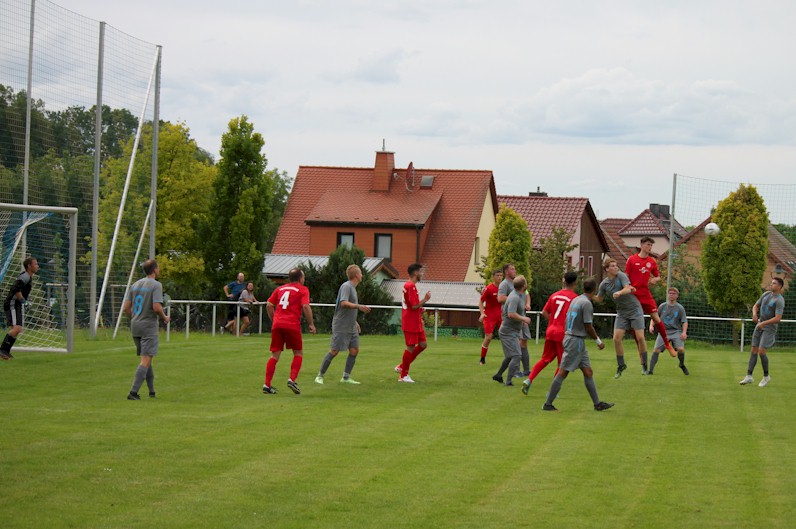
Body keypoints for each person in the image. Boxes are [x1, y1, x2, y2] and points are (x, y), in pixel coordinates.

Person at [542, 278, 614, 412]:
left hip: (574, 339)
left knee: (588, 372)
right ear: (594, 290)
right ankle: (548, 404)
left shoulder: (576, 300)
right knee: (563, 372)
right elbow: (588, 325)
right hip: (575, 340)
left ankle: (597, 404)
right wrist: (598, 341)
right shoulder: (586, 303)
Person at [522, 271, 579, 395]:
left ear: (564, 281)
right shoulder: (575, 298)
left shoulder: (554, 295)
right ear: (575, 282)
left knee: (545, 359)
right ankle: (553, 391)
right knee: (562, 364)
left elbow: (544, 312)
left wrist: (553, 321)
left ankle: (529, 379)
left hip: (551, 331)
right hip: (562, 334)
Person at [315, 264, 371, 385]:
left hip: (351, 326)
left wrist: (355, 322)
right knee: (334, 351)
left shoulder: (353, 288)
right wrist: (359, 306)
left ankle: (345, 377)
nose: (362, 275)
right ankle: (320, 376)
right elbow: (343, 303)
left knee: (354, 350)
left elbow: (348, 309)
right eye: (360, 273)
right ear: (356, 275)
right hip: (341, 325)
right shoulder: (346, 286)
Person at [263, 268, 316, 395]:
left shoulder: (279, 289)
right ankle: (292, 380)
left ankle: (267, 384)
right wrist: (311, 324)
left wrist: (274, 319)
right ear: (301, 278)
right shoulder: (303, 290)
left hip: (277, 324)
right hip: (291, 324)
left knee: (275, 355)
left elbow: (269, 305)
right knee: (298, 353)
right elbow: (305, 306)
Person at [122, 259, 170, 400]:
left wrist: (135, 318)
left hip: (135, 325)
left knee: (146, 358)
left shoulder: (135, 284)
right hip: (148, 326)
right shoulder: (156, 285)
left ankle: (152, 392)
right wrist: (164, 317)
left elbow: (126, 308)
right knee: (146, 360)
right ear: (154, 269)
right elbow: (156, 307)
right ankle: (133, 392)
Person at [595, 258, 648, 378]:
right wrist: (588, 296)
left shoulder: (621, 276)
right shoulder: (604, 284)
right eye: (612, 266)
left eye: (616, 265)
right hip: (622, 312)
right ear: (607, 269)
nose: (615, 267)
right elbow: (599, 299)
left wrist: (619, 293)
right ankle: (621, 365)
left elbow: (628, 288)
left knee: (640, 337)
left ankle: (644, 364)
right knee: (616, 339)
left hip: (635, 309)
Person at [625, 237, 677, 357]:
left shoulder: (651, 261)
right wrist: (627, 289)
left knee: (657, 318)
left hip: (646, 294)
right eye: (648, 245)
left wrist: (655, 279)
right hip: (634, 296)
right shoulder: (631, 260)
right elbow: (626, 277)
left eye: (651, 246)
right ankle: (640, 351)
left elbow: (658, 276)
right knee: (635, 324)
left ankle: (667, 344)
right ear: (642, 245)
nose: (650, 247)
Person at [740, 277, 785, 387]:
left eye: (774, 283)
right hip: (760, 324)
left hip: (769, 328)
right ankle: (749, 376)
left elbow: (778, 318)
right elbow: (756, 305)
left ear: (779, 286)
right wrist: (754, 314)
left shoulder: (779, 300)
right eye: (771, 283)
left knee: (761, 351)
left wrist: (763, 323)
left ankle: (766, 377)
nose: (771, 285)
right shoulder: (766, 295)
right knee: (754, 349)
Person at [492, 263, 531, 383]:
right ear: (523, 285)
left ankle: (499, 375)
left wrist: (523, 315)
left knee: (510, 356)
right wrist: (523, 319)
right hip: (508, 331)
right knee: (516, 355)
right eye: (512, 269)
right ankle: (509, 380)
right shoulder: (513, 296)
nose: (514, 270)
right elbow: (510, 313)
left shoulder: (519, 294)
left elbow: (527, 295)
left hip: (514, 329)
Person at [395, 263, 431, 383]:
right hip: (411, 322)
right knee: (410, 347)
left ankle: (402, 366)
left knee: (423, 344)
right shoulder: (410, 286)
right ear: (415, 273)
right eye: (420, 272)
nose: (422, 274)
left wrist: (420, 309)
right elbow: (414, 305)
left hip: (415, 321)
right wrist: (425, 300)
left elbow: (411, 305)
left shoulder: (410, 285)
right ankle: (403, 375)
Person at [1, 257, 40, 360]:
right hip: (12, 303)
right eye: (35, 264)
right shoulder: (25, 276)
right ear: (29, 266)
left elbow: (22, 290)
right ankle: (2, 350)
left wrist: (27, 298)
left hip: (16, 304)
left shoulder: (28, 277)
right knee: (17, 328)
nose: (37, 266)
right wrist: (23, 300)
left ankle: (5, 352)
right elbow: (15, 289)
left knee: (17, 329)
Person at [648, 287, 689, 375]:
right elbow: (654, 317)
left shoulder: (680, 308)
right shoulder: (662, 306)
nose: (671, 295)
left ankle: (681, 364)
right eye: (670, 293)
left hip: (676, 331)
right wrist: (651, 326)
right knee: (656, 350)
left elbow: (684, 321)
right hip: (663, 331)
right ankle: (650, 370)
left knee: (681, 349)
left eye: (673, 293)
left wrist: (684, 332)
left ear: (677, 296)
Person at [478, 269, 503, 364]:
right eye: (497, 275)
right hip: (490, 316)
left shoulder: (504, 288)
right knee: (488, 337)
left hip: (501, 316)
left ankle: (510, 358)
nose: (499, 277)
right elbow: (481, 301)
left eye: (501, 275)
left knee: (506, 336)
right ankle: (482, 359)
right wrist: (482, 313)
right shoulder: (488, 289)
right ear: (493, 277)